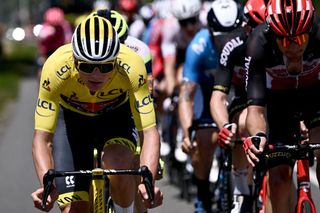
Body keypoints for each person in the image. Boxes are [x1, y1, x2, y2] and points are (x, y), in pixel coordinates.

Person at [31, 15, 163, 213]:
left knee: (118, 163)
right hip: (72, 125)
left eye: (105, 67)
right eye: (86, 66)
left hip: (115, 118)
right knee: (74, 209)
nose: (96, 75)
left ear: (116, 60)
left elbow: (149, 131)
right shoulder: (55, 67)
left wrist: (148, 180)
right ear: (75, 59)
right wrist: (47, 184)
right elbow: (42, 139)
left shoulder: (133, 66)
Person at [244, 0, 320, 212]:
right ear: (273, 35)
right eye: (286, 42)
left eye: (301, 38)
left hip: (315, 97)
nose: (295, 47)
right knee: (278, 182)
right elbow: (255, 110)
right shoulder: (258, 43)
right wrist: (257, 135)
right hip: (278, 106)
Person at [178, 1, 243, 212]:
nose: (227, 41)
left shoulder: (249, 42)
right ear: (210, 31)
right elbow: (186, 95)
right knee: (204, 140)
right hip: (205, 93)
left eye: (233, 33)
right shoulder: (198, 46)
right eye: (221, 36)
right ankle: (203, 193)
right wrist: (188, 133)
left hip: (234, 90)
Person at [210, 0, 267, 212]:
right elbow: (217, 97)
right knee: (241, 124)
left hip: (271, 99)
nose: (262, 33)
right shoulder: (232, 47)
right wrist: (224, 125)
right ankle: (241, 189)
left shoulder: (276, 43)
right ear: (246, 25)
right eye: (256, 27)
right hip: (242, 98)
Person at [36, 7, 72, 80]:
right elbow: (41, 39)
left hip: (60, 52)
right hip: (47, 52)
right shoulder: (46, 27)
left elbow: (68, 40)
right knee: (42, 71)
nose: (55, 26)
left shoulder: (64, 26)